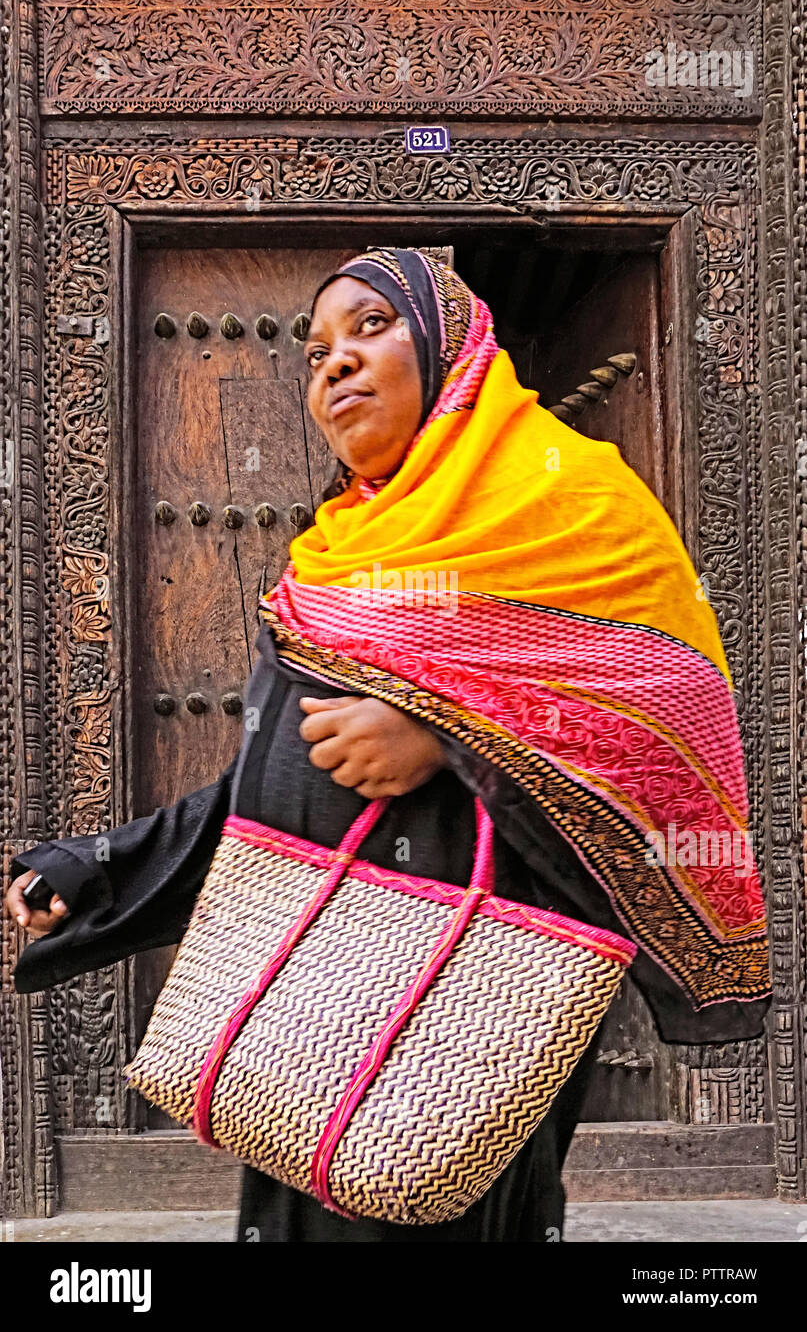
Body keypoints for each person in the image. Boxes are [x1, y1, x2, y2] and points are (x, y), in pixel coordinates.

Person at [5, 248, 771, 1243]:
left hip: (470, 1013)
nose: (336, 363)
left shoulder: (578, 504)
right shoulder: (329, 560)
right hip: (314, 1004)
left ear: (453, 347)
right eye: (316, 349)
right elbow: (260, 795)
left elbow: (674, 723)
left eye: (372, 326)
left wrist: (449, 740)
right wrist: (94, 871)